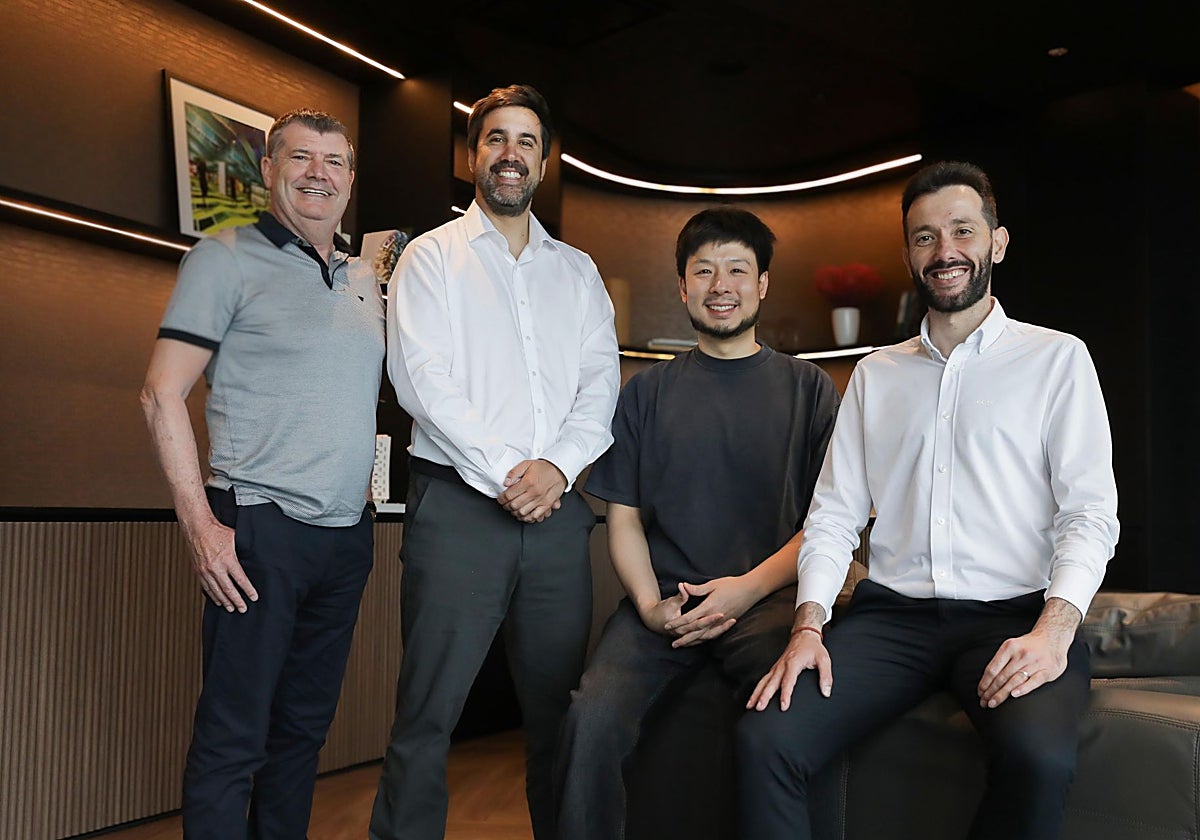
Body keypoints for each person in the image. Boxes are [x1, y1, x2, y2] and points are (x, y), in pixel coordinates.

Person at [737, 161, 1120, 840]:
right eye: (924, 237)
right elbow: (832, 516)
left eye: (962, 231)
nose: (945, 251)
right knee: (767, 738)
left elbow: (1089, 513)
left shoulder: (1059, 360)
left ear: (997, 242)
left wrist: (1054, 632)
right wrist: (808, 628)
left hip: (1013, 615)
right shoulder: (876, 376)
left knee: (1038, 755)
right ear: (909, 254)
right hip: (894, 622)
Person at [370, 84, 620, 840]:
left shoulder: (577, 271)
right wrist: (518, 473)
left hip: (556, 521)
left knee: (556, 717)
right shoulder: (428, 258)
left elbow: (599, 383)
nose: (510, 155)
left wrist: (558, 470)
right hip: (458, 512)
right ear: (473, 155)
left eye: (526, 142)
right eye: (495, 140)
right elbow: (421, 378)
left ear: (544, 161)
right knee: (427, 714)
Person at [554, 207, 840, 840]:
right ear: (682, 287)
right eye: (703, 270)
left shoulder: (810, 389)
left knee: (798, 713)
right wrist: (651, 606)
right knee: (590, 720)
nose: (721, 285)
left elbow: (829, 526)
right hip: (668, 608)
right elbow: (622, 520)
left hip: (769, 600)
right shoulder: (646, 393)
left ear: (762, 283)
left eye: (737, 269)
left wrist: (746, 589)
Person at [141, 109, 381, 839]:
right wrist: (203, 527)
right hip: (257, 529)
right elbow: (160, 392)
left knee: (301, 737)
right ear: (268, 170)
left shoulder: (366, 277)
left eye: (335, 161)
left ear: (349, 180)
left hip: (345, 538)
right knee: (234, 737)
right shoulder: (225, 256)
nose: (319, 172)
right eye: (301, 157)